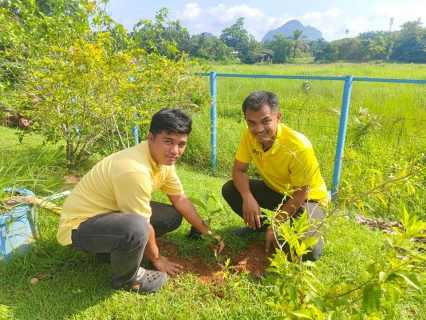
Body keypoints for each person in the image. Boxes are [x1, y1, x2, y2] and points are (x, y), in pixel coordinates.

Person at [57, 108, 224, 294]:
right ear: (151, 138)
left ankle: (113, 251)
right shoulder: (134, 170)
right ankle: (127, 279)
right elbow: (142, 222)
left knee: (171, 216)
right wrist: (157, 258)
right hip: (79, 229)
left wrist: (207, 232)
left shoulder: (163, 161)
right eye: (168, 142)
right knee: (137, 227)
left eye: (181, 144)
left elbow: (180, 199)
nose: (175, 151)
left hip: (110, 216)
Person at [221, 91, 328, 261]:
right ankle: (259, 228)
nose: (258, 129)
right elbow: (238, 170)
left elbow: (300, 193)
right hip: (276, 191)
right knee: (231, 189)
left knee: (309, 252)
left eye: (265, 121)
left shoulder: (299, 147)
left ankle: (280, 236)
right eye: (251, 123)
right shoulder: (248, 136)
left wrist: (275, 225)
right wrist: (247, 196)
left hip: (308, 199)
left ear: (278, 117)